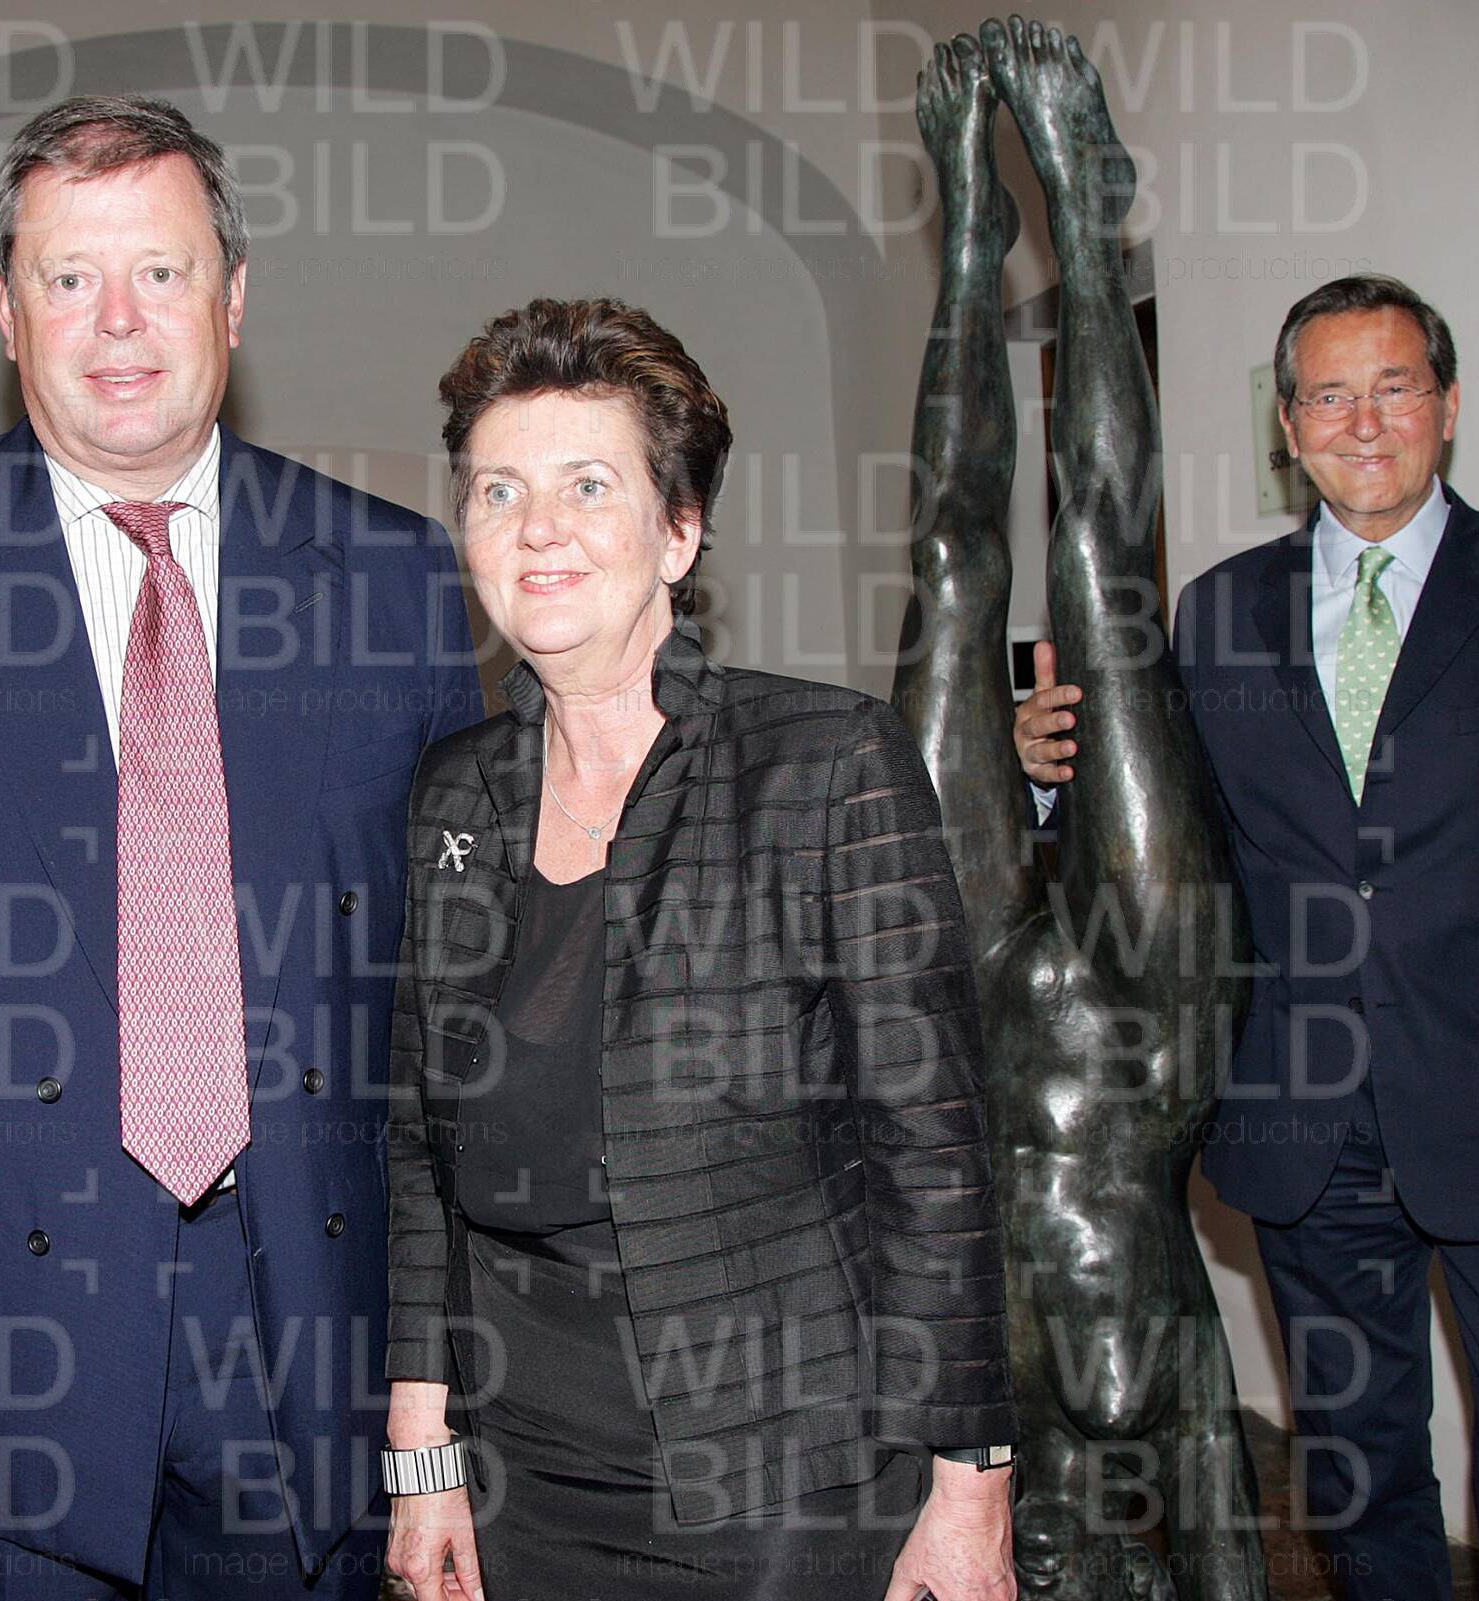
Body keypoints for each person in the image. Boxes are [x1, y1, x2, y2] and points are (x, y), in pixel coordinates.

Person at [0, 96, 481, 1598]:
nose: (120, 322)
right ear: (5, 307)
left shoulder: (393, 578)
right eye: (70, 277)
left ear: (235, 295)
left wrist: (440, 1395)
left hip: (312, 1345)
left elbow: (448, 1017)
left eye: (162, 270)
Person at [384, 296, 1018, 1601]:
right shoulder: (453, 792)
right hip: (518, 1471)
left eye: (588, 485)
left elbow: (936, 1159)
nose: (537, 526)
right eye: (498, 490)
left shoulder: (826, 765)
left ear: (679, 531)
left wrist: (973, 1489)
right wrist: (422, 1445)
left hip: (782, 1472)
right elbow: (418, 1151)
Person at [1017, 272, 1479, 1598]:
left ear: (1447, 405)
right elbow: (1167, 819)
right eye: (1329, 396)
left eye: (1394, 388)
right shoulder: (1219, 611)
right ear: (1289, 425)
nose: (1363, 423)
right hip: (1310, 1119)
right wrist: (1044, 771)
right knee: (1360, 1470)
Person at [897, 22, 1265, 1600]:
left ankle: (974, 245)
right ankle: (1089, 230)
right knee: (1108, 590)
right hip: (1148, 1033)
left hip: (970, 1002)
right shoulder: (1154, 1422)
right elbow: (1231, 1551)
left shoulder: (960, 1470)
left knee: (949, 581)